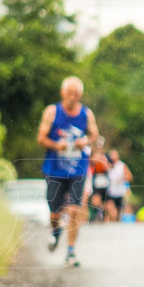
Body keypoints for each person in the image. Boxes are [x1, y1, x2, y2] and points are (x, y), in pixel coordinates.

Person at [36, 76, 99, 268]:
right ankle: (55, 232)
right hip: (55, 169)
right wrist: (57, 145)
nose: (73, 97)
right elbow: (40, 138)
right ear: (63, 93)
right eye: (69, 93)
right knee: (54, 214)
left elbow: (94, 134)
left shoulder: (86, 114)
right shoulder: (52, 112)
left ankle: (71, 251)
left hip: (78, 169)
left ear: (81, 95)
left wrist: (85, 141)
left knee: (74, 209)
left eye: (77, 94)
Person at [104, 150, 133, 223]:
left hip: (120, 192)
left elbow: (130, 177)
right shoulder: (107, 165)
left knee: (118, 211)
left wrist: (123, 179)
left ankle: (116, 223)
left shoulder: (122, 165)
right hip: (111, 191)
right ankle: (111, 220)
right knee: (110, 208)